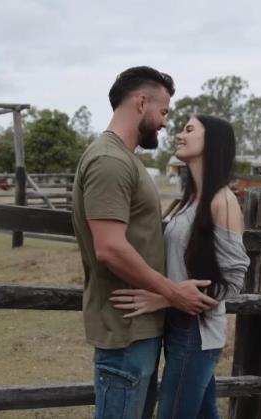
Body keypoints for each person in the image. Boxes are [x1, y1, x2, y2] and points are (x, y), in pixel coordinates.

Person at [71, 67, 219, 419]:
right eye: (164, 111)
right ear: (141, 103)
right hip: (125, 330)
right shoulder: (110, 161)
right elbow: (109, 247)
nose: (166, 122)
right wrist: (172, 292)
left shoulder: (124, 159)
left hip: (138, 329)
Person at [111, 115, 250, 418]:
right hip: (179, 328)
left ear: (211, 141)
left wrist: (165, 297)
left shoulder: (222, 201)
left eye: (189, 129)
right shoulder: (191, 200)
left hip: (197, 333)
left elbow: (233, 281)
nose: (179, 135)